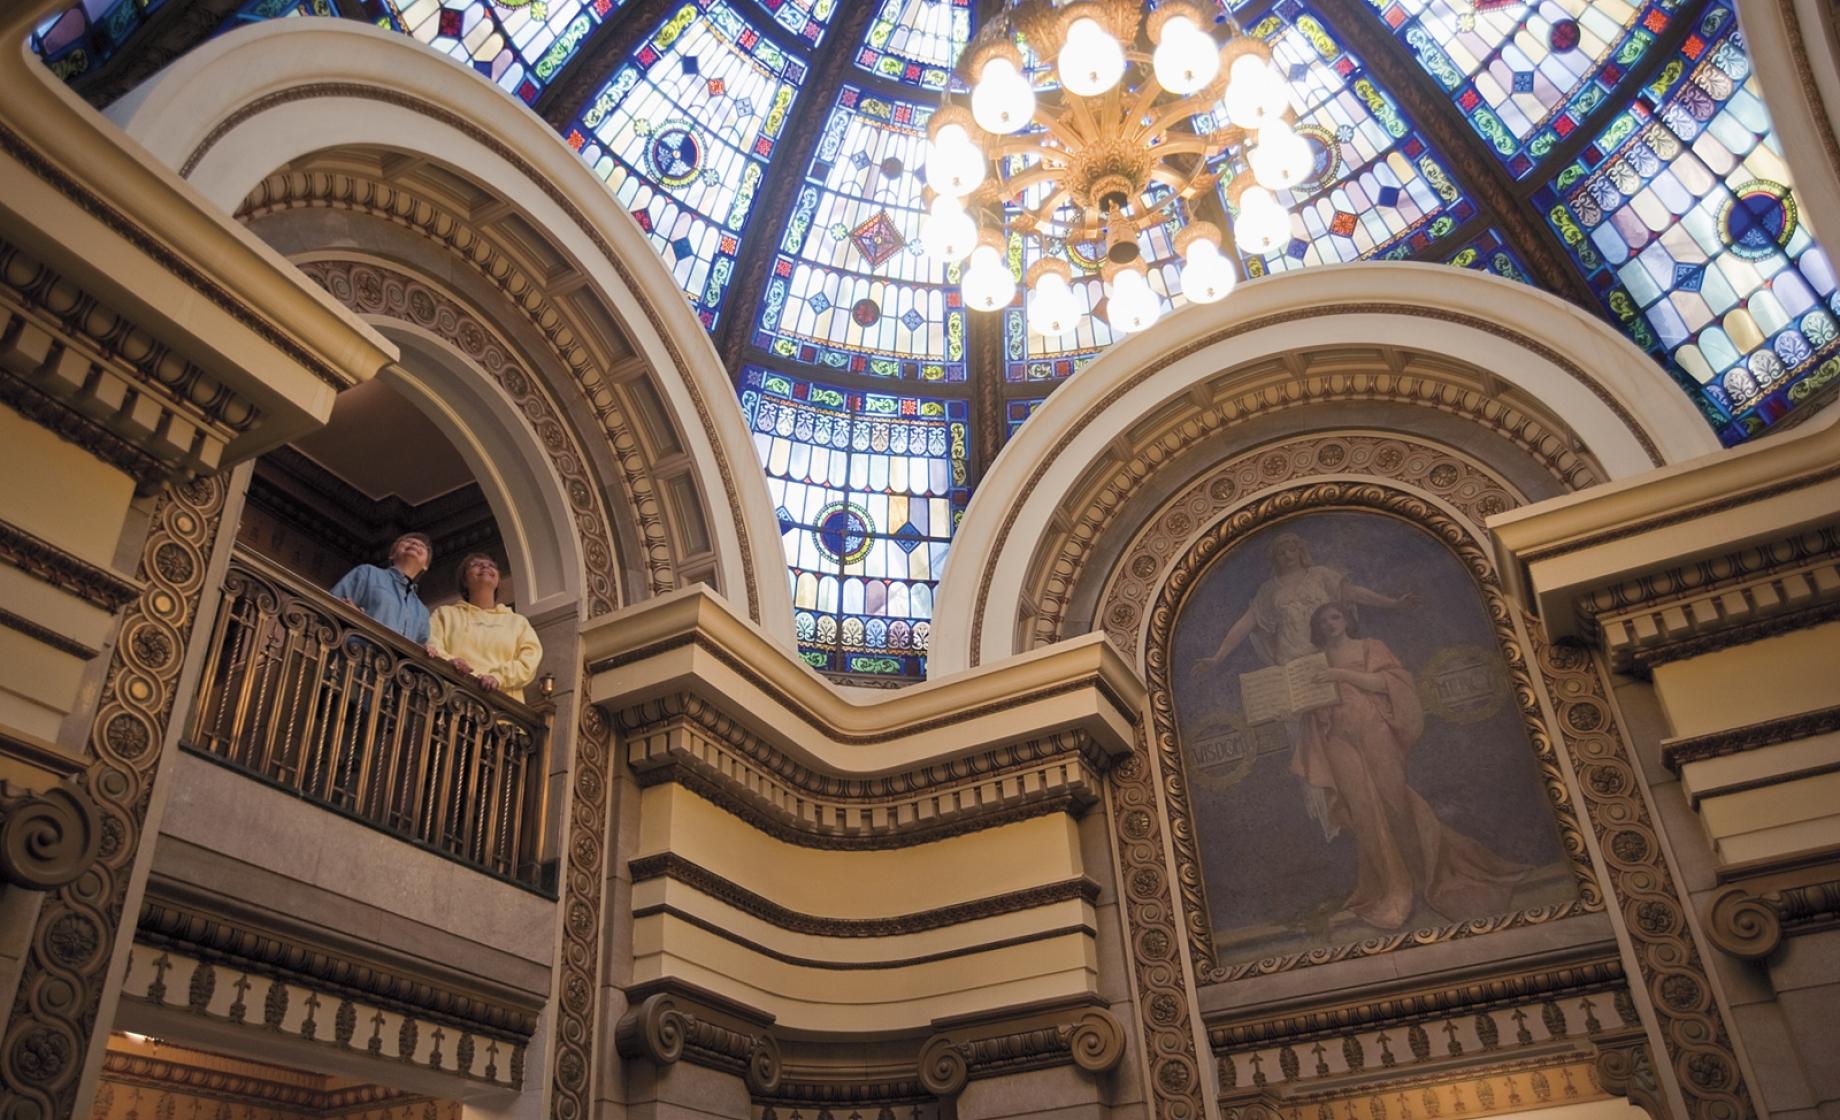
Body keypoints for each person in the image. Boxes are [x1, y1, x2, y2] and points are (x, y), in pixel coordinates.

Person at [1292, 602, 1526, 930]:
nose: (1330, 624)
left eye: (1335, 617)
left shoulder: (1369, 646)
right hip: (1335, 737)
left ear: (1346, 620)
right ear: (1317, 629)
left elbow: (1389, 683)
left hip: (1373, 725)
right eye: (1323, 621)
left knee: (1394, 799)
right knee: (1361, 809)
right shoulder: (1312, 663)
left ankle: (1424, 873)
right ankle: (1389, 887)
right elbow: (1307, 701)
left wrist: (1339, 675)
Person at [426, 553, 543, 702]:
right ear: (464, 580)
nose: (485, 566)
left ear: (498, 580)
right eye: (475, 564)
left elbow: (530, 659)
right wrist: (450, 662)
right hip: (453, 702)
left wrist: (499, 677)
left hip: (502, 709)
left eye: (491, 565)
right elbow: (431, 642)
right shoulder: (445, 614)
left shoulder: (518, 622)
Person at [329, 532, 433, 645]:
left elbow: (422, 647)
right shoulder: (367, 573)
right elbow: (332, 604)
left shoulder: (422, 612)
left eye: (422, 546)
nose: (415, 544)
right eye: (408, 541)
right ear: (392, 554)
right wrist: (355, 617)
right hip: (353, 656)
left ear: (425, 565)